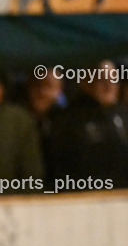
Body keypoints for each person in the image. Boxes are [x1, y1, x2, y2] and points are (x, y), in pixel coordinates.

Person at [47, 60, 128, 189]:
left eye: (113, 79)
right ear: (86, 83)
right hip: (87, 198)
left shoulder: (123, 115)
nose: (109, 86)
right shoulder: (70, 119)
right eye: (102, 80)